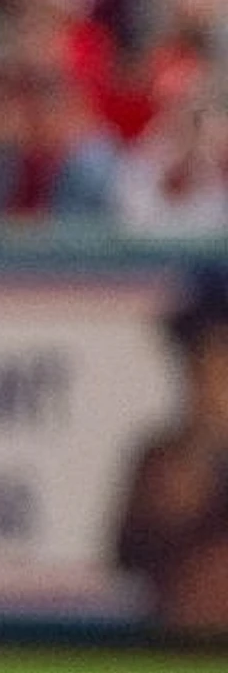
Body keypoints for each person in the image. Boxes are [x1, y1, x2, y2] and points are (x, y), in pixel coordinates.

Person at [116, 261, 228, 634]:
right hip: (178, 642)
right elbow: (128, 555)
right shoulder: (163, 458)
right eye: (195, 357)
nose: (207, 375)